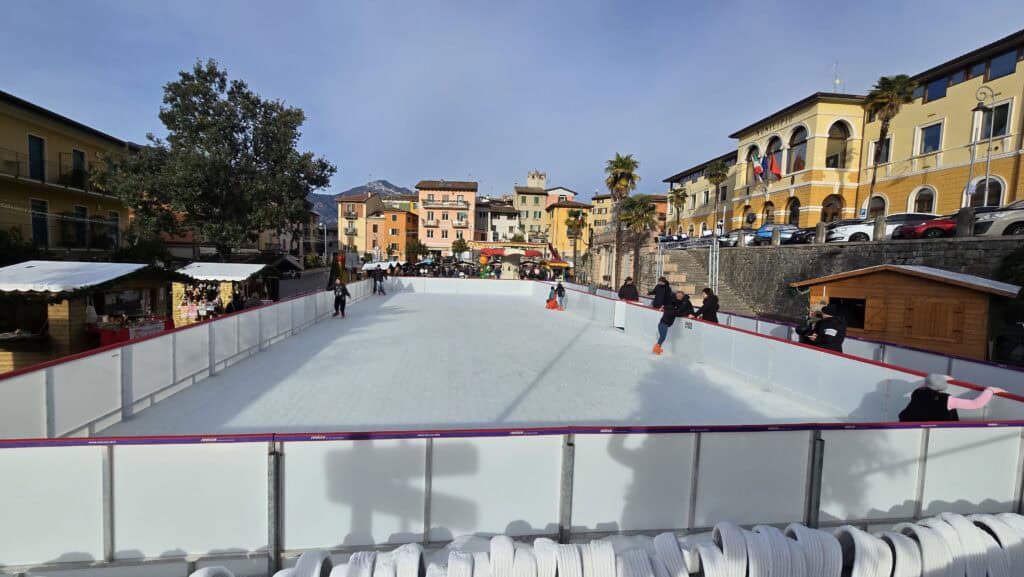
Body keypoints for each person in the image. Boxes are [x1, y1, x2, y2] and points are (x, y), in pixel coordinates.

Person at [899, 374, 1004, 422]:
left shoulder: (917, 393)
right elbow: (976, 404)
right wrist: (990, 390)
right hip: (937, 433)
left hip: (907, 426)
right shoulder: (947, 400)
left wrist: (940, 378)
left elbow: (925, 385)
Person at [652, 291, 685, 355]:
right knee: (662, 337)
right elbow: (675, 312)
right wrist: (678, 312)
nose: (679, 297)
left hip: (664, 324)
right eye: (678, 295)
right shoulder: (672, 304)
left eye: (681, 296)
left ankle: (657, 348)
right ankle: (656, 349)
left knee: (662, 337)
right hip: (663, 324)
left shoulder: (677, 303)